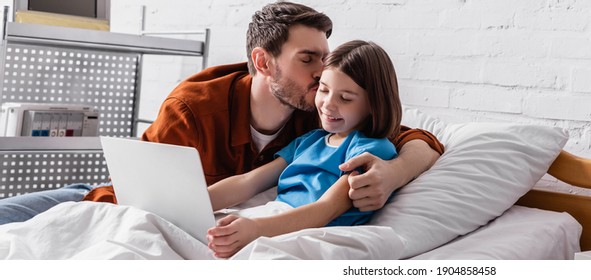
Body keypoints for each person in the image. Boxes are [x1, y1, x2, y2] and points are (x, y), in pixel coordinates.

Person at [0, 1, 443, 224]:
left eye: (325, 60)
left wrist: (392, 174)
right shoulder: (193, 108)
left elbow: (413, 139)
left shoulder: (320, 108)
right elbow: (141, 195)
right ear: (264, 62)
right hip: (107, 194)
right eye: (308, 59)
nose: (323, 77)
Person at [206, 40, 402, 258]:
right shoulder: (310, 141)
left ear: (373, 104)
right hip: (272, 217)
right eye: (323, 90)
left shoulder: (370, 150)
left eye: (345, 98)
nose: (328, 104)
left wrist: (256, 229)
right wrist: (199, 201)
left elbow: (325, 210)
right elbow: (250, 181)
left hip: (310, 232)